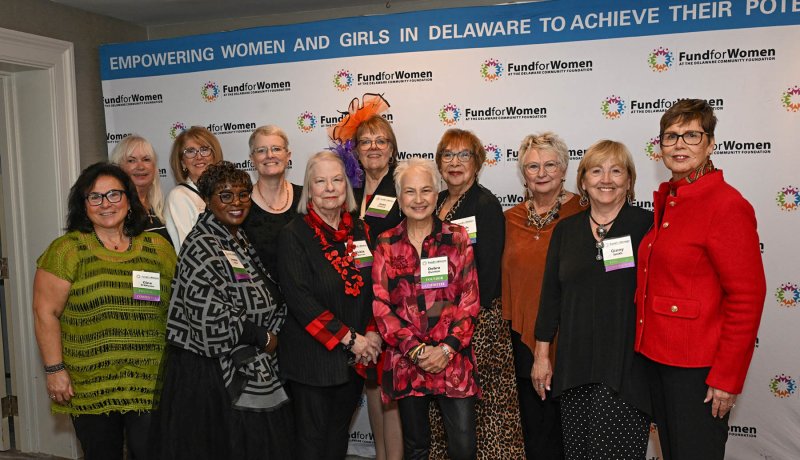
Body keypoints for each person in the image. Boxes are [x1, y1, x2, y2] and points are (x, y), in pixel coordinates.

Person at [635, 99, 766, 460]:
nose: (679, 144)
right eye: (671, 136)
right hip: (659, 361)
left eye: (692, 135)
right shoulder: (672, 198)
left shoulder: (726, 204)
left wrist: (726, 378)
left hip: (698, 371)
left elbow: (747, 297)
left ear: (710, 144)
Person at [32, 162, 175, 460]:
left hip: (150, 380)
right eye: (95, 197)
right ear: (83, 205)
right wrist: (55, 370)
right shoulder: (67, 251)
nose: (105, 204)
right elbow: (45, 312)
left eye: (114, 194)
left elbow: (177, 308)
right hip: (91, 384)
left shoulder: (158, 248)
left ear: (129, 200)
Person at [151, 161, 293, 459]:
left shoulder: (235, 237)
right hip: (209, 374)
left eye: (243, 195)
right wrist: (262, 337)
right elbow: (208, 317)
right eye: (225, 196)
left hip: (240, 361)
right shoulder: (201, 244)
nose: (236, 203)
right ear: (207, 199)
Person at [533, 140, 653, 459]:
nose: (606, 179)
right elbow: (550, 298)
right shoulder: (566, 231)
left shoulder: (646, 227)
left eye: (616, 171)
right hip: (574, 368)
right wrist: (542, 356)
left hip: (626, 370)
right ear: (583, 181)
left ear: (629, 180)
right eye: (597, 171)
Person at [372, 159, 480, 460]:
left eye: (426, 190)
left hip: (452, 359)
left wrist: (446, 349)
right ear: (399, 196)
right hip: (408, 360)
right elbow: (381, 306)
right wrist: (417, 351)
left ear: (437, 193)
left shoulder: (457, 237)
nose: (418, 199)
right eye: (410, 191)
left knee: (463, 448)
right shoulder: (386, 243)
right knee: (416, 448)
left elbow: (469, 299)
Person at [277, 151, 381, 460]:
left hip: (353, 360)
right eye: (320, 181)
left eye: (337, 180)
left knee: (337, 440)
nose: (330, 188)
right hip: (311, 362)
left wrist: (372, 333)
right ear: (309, 188)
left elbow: (375, 287)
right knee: (311, 445)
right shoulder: (293, 235)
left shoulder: (362, 231)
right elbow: (301, 300)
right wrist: (351, 339)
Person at [431, 128, 524, 459]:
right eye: (448, 155)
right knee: (447, 409)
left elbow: (487, 273)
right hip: (440, 320)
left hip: (477, 322)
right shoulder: (436, 201)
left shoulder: (484, 205)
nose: (455, 163)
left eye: (464, 155)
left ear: (478, 162)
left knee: (478, 411)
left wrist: (461, 320)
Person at [501, 132, 586, 459]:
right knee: (536, 431)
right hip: (524, 338)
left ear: (564, 169)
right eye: (533, 166)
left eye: (550, 164)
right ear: (523, 173)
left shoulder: (584, 211)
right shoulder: (510, 219)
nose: (542, 173)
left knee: (571, 431)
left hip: (572, 337)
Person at [348, 114, 405, 460]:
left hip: (394, 298)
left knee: (390, 385)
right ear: (355, 150)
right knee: (371, 379)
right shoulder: (350, 191)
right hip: (358, 299)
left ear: (392, 149)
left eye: (381, 140)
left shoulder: (400, 187)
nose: (373, 147)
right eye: (366, 141)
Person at [241, 125, 301, 279]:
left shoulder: (306, 198)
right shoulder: (241, 204)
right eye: (261, 150)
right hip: (259, 292)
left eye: (276, 149)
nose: (269, 155)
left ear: (288, 156)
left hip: (305, 291)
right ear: (252, 159)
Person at [164, 126, 223, 248]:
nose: (199, 157)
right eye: (190, 151)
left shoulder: (220, 193)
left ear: (214, 156)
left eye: (204, 149)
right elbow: (189, 248)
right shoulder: (179, 196)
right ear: (182, 162)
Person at [110, 134, 171, 244]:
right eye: (131, 161)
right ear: (118, 167)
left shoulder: (158, 209)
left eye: (146, 159)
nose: (140, 166)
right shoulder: (115, 211)